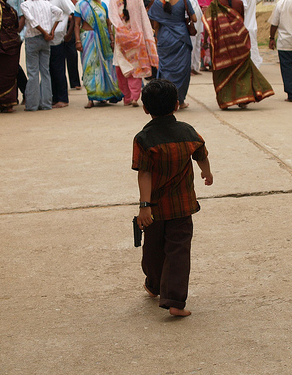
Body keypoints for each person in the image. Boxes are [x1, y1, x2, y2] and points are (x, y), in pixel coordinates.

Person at [132, 79, 213, 317]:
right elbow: (202, 155)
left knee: (153, 250)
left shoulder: (143, 139)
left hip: (155, 209)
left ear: (145, 108)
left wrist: (144, 206)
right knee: (178, 253)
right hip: (182, 206)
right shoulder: (188, 132)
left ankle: (154, 284)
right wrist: (206, 172)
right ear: (176, 105)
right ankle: (174, 300)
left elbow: (144, 174)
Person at [202, 0, 274, 109]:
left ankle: (225, 101)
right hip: (239, 39)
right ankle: (243, 100)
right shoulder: (239, 3)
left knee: (222, 71)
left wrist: (206, 42)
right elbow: (240, 20)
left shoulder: (215, 4)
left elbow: (209, 23)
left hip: (221, 42)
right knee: (242, 70)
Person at [148, 0, 197, 109]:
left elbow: (155, 25)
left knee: (165, 70)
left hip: (164, 38)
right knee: (182, 70)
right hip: (181, 38)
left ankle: (166, 101)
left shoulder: (157, 3)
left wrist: (158, 38)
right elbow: (194, 19)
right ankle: (180, 100)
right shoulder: (183, 1)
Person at [74, 0, 123, 108]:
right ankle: (91, 97)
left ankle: (103, 96)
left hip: (103, 40)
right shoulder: (81, 5)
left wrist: (111, 39)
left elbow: (108, 24)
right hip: (88, 39)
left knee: (105, 68)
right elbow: (77, 25)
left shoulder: (103, 5)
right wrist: (77, 41)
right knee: (89, 67)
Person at [109, 0, 159, 107]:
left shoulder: (114, 1)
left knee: (122, 69)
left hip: (121, 40)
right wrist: (147, 36)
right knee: (136, 69)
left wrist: (122, 32)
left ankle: (127, 97)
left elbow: (113, 17)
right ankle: (134, 97)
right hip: (137, 38)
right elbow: (143, 18)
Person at [21, 0, 64, 111]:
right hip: (46, 40)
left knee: (33, 72)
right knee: (45, 72)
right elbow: (59, 12)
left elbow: (32, 21)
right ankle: (46, 103)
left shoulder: (25, 5)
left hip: (32, 38)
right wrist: (51, 31)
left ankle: (32, 105)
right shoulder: (46, 3)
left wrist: (45, 33)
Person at [48, 0, 76, 109]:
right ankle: (55, 97)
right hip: (47, 38)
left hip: (58, 38)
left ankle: (62, 98)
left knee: (58, 69)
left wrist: (69, 33)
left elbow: (74, 14)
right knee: (51, 69)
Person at [242, 0, 262, 68]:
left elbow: (243, 8)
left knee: (248, 49)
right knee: (253, 48)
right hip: (251, 26)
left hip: (245, 25)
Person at [188, 0, 204, 75]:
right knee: (192, 47)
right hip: (192, 26)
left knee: (197, 46)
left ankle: (195, 67)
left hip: (199, 25)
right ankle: (190, 68)